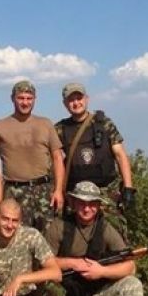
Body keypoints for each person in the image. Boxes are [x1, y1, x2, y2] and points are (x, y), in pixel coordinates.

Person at [0, 80, 65, 232]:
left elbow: (57, 158)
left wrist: (58, 191)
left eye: (29, 98)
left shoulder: (46, 124)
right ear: (13, 98)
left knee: (48, 236)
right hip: (14, 192)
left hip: (44, 191)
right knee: (16, 237)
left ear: (35, 99)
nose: (25, 102)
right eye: (21, 98)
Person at [55, 83, 135, 224]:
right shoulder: (60, 129)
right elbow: (55, 159)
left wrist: (128, 188)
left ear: (87, 99)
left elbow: (120, 155)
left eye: (79, 98)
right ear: (65, 103)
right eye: (71, 100)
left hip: (105, 192)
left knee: (112, 232)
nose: (76, 103)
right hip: (76, 195)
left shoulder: (104, 124)